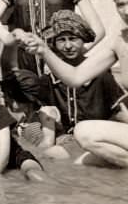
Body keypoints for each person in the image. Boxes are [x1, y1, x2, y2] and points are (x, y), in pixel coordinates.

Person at [20, 0, 128, 168]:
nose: (126, 11)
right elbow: (75, 77)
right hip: (68, 136)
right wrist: (43, 50)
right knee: (80, 162)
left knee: (82, 134)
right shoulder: (120, 41)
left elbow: (117, 111)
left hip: (88, 132)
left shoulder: (103, 76)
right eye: (120, 4)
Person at [41, 10, 124, 145]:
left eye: (73, 39)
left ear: (83, 40)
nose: (68, 46)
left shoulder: (101, 73)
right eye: (61, 40)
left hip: (96, 138)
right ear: (54, 43)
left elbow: (118, 111)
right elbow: (46, 114)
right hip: (64, 141)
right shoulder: (49, 79)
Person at [2, 69, 60, 158]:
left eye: (9, 97)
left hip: (57, 154)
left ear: (23, 98)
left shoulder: (45, 112)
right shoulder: (23, 120)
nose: (6, 99)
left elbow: (48, 145)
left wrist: (26, 148)